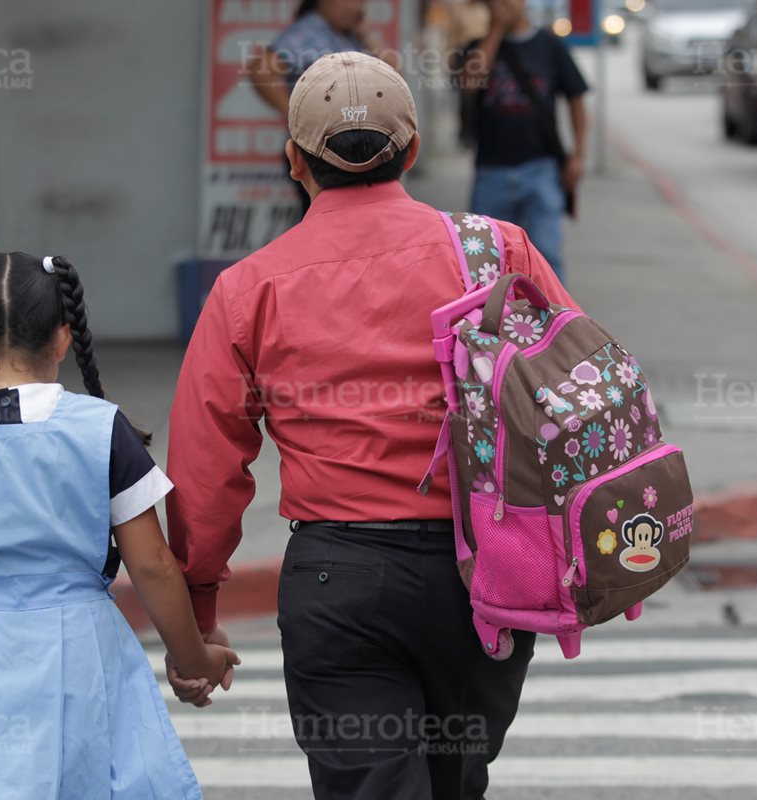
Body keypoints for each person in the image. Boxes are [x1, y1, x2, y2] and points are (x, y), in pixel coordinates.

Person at [164, 52, 579, 799]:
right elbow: (576, 391)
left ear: (295, 161)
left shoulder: (246, 290)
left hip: (340, 583)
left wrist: (198, 606)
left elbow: (206, 467)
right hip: (484, 576)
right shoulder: (498, 252)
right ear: (411, 151)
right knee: (457, 782)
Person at [0, 253, 238, 798]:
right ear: (63, 339)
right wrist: (194, 660)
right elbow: (153, 566)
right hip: (80, 652)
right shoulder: (103, 429)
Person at [462, 0, 589, 285]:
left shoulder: (550, 45)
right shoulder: (477, 48)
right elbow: (470, 83)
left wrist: (578, 155)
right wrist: (496, 31)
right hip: (491, 170)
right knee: (485, 258)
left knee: (546, 252)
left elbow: (576, 99)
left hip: (541, 167)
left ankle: (552, 311)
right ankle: (493, 312)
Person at [250, 0, 400, 214]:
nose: (355, 7)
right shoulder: (309, 30)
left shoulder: (348, 34)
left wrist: (365, 34)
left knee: (351, 219)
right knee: (327, 219)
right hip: (318, 149)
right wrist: (294, 114)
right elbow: (260, 71)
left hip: (352, 147)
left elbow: (393, 74)